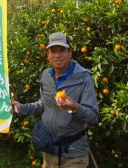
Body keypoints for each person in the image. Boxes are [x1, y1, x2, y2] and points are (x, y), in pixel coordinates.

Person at [10, 32, 99, 168]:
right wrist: (22, 108)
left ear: (70, 53)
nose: (57, 55)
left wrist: (75, 107)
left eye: (62, 50)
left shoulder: (83, 78)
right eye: (53, 51)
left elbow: (93, 116)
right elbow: (44, 104)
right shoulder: (46, 75)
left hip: (74, 154)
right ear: (48, 54)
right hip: (50, 149)